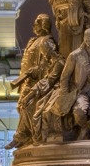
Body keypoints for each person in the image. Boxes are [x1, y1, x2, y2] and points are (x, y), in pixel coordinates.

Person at [9, 14, 63, 148]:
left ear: (43, 26)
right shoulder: (34, 41)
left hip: (37, 83)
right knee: (21, 106)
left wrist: (45, 78)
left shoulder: (45, 41)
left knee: (28, 106)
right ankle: (26, 137)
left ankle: (29, 138)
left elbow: (58, 61)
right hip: (28, 83)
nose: (33, 26)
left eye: (36, 24)